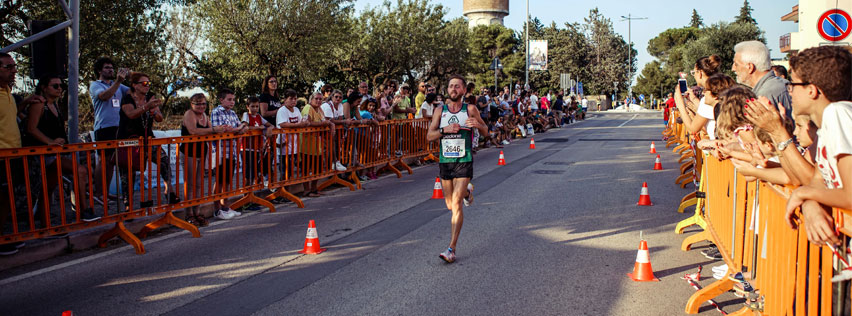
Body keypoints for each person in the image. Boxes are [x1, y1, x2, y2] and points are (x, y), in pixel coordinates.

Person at [783, 46, 852, 245]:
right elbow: (818, 178)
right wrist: (811, 203)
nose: (790, 92)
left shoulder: (838, 113)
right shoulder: (827, 125)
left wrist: (802, 193)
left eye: (793, 84)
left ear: (812, 90)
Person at [426, 74, 488, 263]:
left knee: (456, 204)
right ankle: (468, 192)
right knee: (449, 205)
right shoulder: (439, 111)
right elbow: (430, 136)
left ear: (463, 90)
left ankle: (451, 248)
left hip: (464, 160)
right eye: (451, 86)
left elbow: (486, 131)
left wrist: (478, 125)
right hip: (446, 161)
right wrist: (445, 131)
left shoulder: (470, 109)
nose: (453, 89)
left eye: (457, 86)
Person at [25, 76, 95, 223]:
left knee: (49, 187)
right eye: (55, 86)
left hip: (53, 153)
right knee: (78, 170)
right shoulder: (38, 104)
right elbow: (31, 128)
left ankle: (45, 220)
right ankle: (84, 211)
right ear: (44, 87)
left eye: (61, 86)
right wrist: (50, 142)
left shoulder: (54, 104)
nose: (59, 89)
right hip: (40, 153)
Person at [117, 72, 179, 207]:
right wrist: (146, 107)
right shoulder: (127, 98)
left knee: (164, 161)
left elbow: (160, 118)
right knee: (128, 172)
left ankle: (170, 192)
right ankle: (128, 204)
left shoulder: (150, 98)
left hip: (148, 138)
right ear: (134, 85)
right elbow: (131, 114)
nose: (147, 86)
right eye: (144, 83)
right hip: (129, 140)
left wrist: (155, 112)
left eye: (149, 83)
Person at [89, 57, 129, 199]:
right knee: (103, 161)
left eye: (112, 67)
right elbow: (104, 96)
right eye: (107, 67)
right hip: (103, 127)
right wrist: (118, 81)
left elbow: (132, 92)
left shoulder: (117, 85)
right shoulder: (95, 85)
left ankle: (106, 193)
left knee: (111, 162)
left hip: (118, 127)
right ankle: (99, 193)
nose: (110, 70)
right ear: (99, 70)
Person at [180, 93, 222, 227]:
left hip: (202, 152)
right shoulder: (189, 114)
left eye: (204, 103)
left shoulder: (205, 116)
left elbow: (211, 130)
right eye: (198, 104)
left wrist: (221, 129)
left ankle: (197, 212)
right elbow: (193, 130)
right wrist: (214, 129)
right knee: (190, 184)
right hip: (189, 152)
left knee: (199, 184)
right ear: (191, 104)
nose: (201, 106)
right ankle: (189, 214)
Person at [732, 41, 793, 122]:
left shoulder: (764, 95)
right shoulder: (781, 84)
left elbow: (764, 133)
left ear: (750, 67)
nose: (733, 69)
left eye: (736, 64)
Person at [210, 88, 247, 219]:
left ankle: (225, 206)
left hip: (232, 151)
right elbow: (222, 130)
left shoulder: (232, 113)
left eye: (233, 100)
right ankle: (217, 209)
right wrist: (236, 130)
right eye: (229, 99)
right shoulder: (216, 112)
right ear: (221, 100)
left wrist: (239, 128)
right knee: (219, 181)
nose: (232, 102)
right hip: (221, 151)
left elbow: (239, 128)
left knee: (227, 181)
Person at [673, 55, 722, 138]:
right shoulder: (719, 91)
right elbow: (708, 111)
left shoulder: (709, 97)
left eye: (694, 72)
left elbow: (692, 130)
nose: (694, 75)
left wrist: (680, 105)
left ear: (700, 73)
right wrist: (693, 98)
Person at [301, 92, 334, 197]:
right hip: (306, 143)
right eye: (316, 99)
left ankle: (314, 188)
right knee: (306, 168)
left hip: (317, 143)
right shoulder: (308, 108)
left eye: (320, 99)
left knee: (318, 167)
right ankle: (307, 190)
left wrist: (330, 124)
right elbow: (307, 123)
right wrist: (323, 124)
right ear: (311, 99)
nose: (319, 101)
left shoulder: (319, 109)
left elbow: (325, 120)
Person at [241, 96, 273, 197]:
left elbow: (269, 125)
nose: (255, 109)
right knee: (248, 173)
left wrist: (269, 129)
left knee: (254, 172)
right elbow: (245, 127)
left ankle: (251, 195)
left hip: (256, 148)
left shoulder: (259, 116)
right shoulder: (246, 115)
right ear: (247, 107)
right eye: (252, 106)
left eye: (256, 106)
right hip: (247, 148)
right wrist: (257, 128)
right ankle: (246, 196)